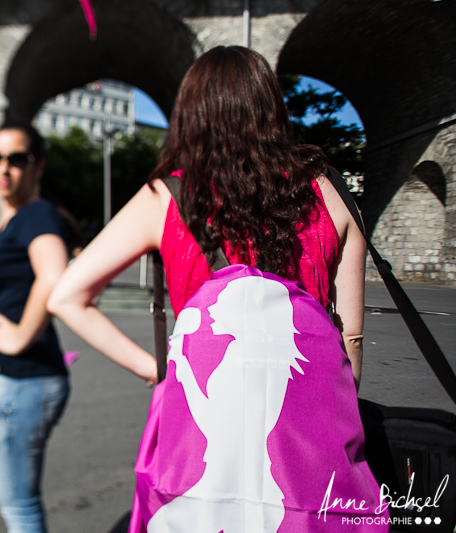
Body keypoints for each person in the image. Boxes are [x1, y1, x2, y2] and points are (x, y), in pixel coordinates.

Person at [47, 47, 372, 530]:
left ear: (190, 114)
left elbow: (66, 295)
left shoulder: (171, 196)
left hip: (202, 451)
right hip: (308, 456)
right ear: (270, 108)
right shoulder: (332, 194)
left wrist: (156, 369)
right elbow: (350, 340)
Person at [0, 120, 70, 533]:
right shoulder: (16, 218)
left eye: (17, 159)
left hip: (23, 380)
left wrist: (19, 337)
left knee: (20, 509)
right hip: (16, 382)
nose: (3, 168)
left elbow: (54, 274)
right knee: (16, 504)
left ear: (37, 167)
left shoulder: (36, 214)